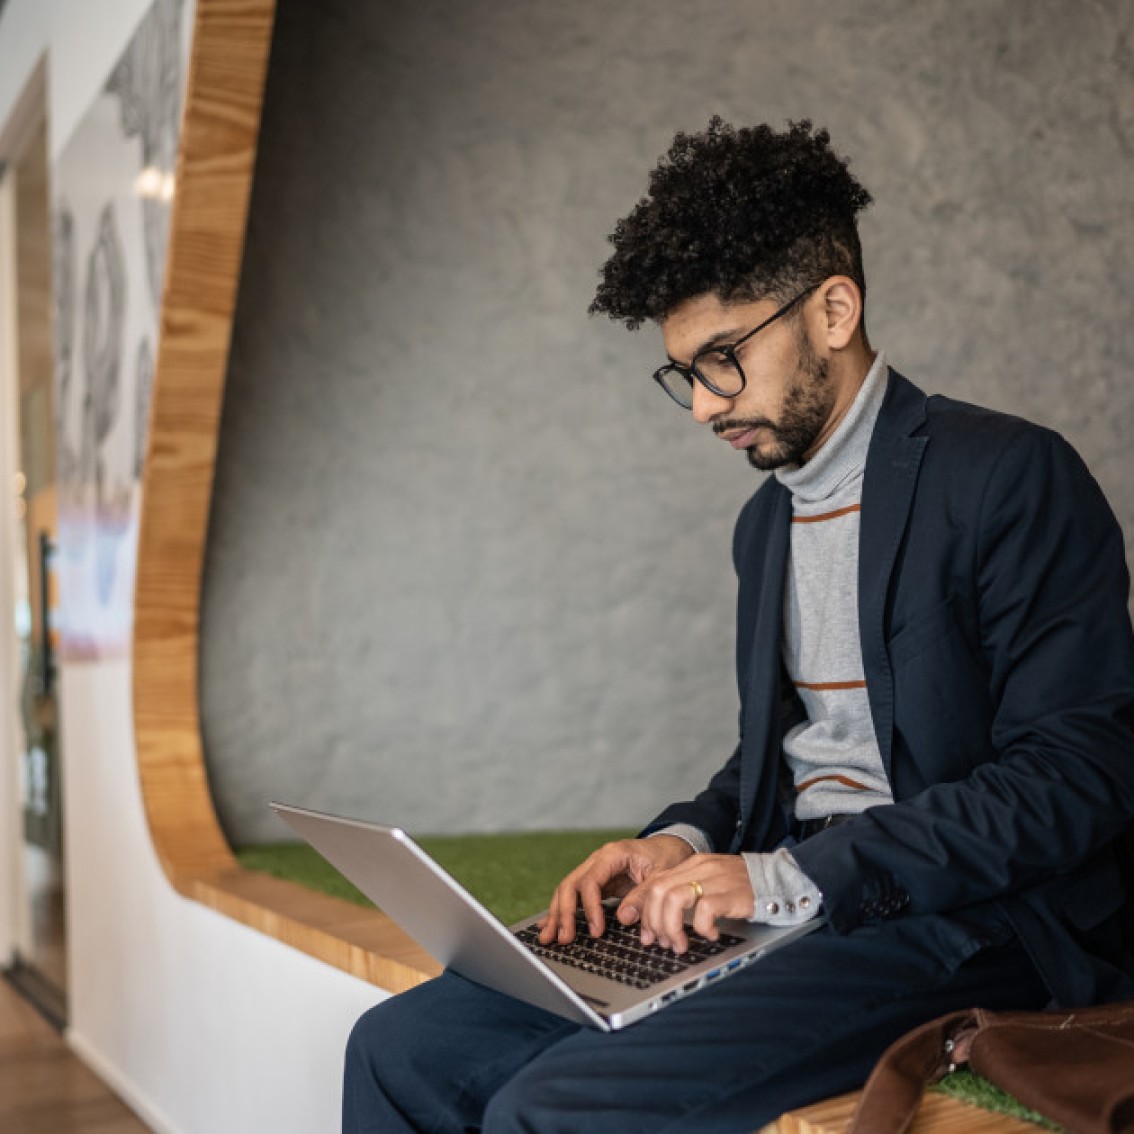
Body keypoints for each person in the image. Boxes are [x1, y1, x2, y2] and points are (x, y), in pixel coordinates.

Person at [343, 119, 1134, 1133]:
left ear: (834, 310)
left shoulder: (1008, 477)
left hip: (970, 919)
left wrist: (788, 875)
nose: (704, 409)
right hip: (792, 899)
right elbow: (782, 760)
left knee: (555, 1108)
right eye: (686, 373)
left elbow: (1077, 776)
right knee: (404, 1049)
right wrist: (682, 839)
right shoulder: (766, 525)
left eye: (724, 359)